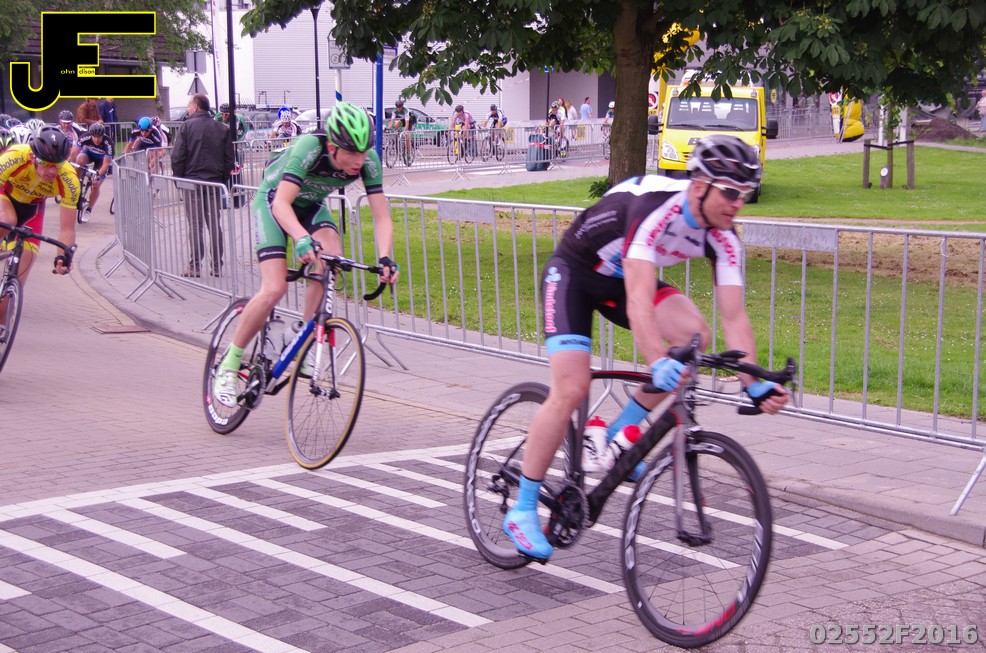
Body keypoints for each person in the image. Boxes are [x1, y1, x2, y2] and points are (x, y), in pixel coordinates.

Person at [500, 135, 789, 561]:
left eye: (744, 194)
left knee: (694, 339)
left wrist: (754, 382)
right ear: (699, 185)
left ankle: (619, 436)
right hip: (575, 273)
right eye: (730, 192)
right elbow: (638, 302)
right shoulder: (656, 208)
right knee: (572, 387)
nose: (737, 203)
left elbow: (734, 316)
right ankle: (523, 508)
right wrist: (656, 362)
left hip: (620, 280)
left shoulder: (725, 237)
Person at [211, 102, 399, 407]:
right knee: (275, 288)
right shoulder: (309, 147)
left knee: (331, 255)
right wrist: (300, 238)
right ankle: (229, 365)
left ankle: (302, 334)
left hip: (311, 205)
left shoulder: (368, 161)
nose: (359, 160)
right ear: (332, 146)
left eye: (365, 152)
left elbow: (382, 216)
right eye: (352, 152)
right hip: (274, 203)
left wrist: (386, 258)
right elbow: (281, 204)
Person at [0, 126, 79, 324]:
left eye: (57, 165)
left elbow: (67, 229)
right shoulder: (16, 156)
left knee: (19, 278)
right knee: (7, 220)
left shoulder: (69, 178)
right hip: (5, 196)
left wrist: (62, 257)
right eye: (46, 164)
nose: (52, 171)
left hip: (32, 212)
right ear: (34, 157)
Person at [170, 94, 236, 278]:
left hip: (192, 181)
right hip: (214, 181)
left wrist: (179, 180)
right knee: (214, 224)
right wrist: (221, 179)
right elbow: (229, 159)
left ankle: (195, 266)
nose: (188, 109)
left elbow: (177, 156)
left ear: (196, 107)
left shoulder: (186, 127)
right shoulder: (221, 128)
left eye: (189, 106)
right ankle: (217, 266)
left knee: (195, 225)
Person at [73, 123, 114, 223]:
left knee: (95, 184)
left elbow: (106, 164)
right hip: (89, 154)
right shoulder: (85, 137)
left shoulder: (108, 143)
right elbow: (73, 153)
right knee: (80, 160)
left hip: (102, 161)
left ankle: (89, 210)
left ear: (102, 135)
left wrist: (98, 175)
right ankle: (76, 184)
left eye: (98, 137)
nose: (96, 139)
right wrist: (70, 164)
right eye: (94, 137)